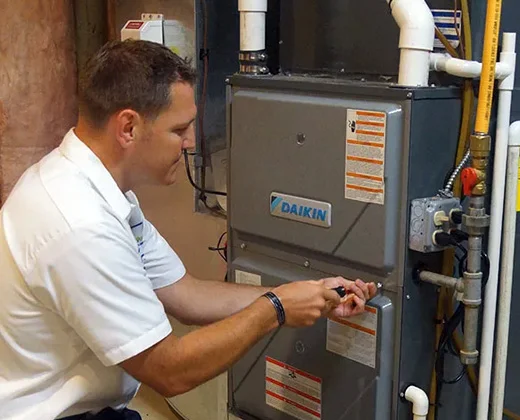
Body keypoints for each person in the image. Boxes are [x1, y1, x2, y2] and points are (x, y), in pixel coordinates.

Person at [0, 40, 377, 420]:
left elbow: (187, 296)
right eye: (179, 129)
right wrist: (276, 309)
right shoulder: (80, 225)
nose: (192, 142)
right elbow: (169, 371)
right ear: (128, 127)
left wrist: (305, 294)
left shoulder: (97, 192)